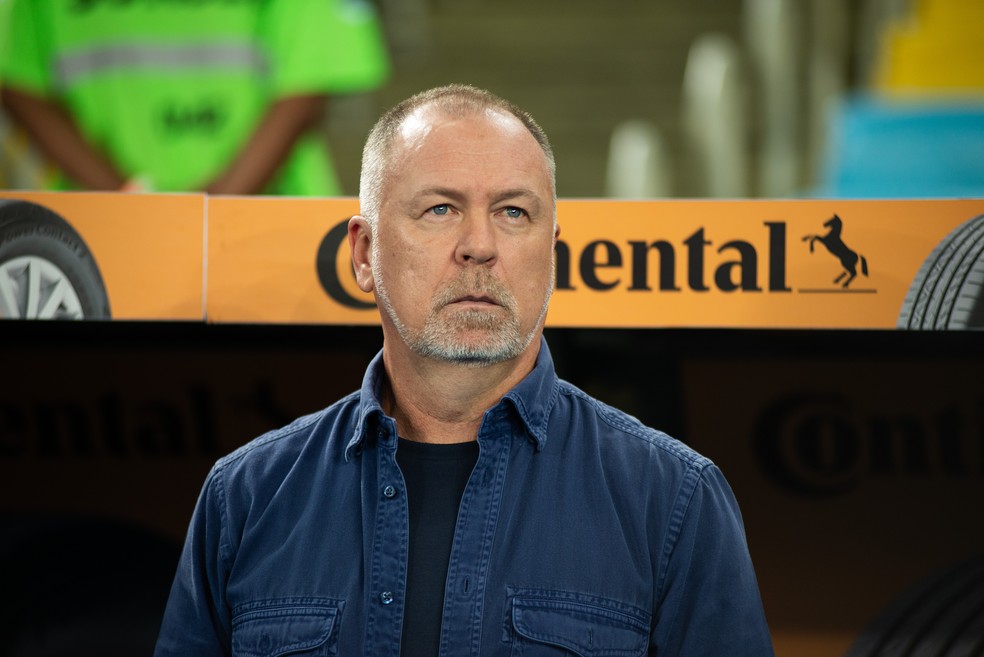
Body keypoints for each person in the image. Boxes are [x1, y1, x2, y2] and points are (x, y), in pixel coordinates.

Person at [155, 84, 774, 656]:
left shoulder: (674, 501)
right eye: (441, 209)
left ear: (551, 256)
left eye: (513, 212)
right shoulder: (244, 497)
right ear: (365, 253)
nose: (480, 244)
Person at [0, 0, 389, 195]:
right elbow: (17, 81)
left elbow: (306, 86)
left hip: (263, 220)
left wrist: (130, 206)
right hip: (100, 228)